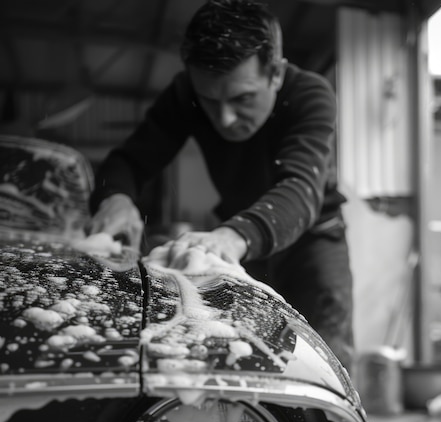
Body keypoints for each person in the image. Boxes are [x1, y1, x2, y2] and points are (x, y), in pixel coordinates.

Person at [89, 0, 354, 372]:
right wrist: (115, 196)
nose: (225, 118)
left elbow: (300, 188)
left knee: (325, 363)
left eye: (242, 99)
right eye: (210, 101)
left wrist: (231, 237)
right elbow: (128, 161)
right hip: (233, 238)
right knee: (237, 354)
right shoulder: (186, 95)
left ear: (275, 74)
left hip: (311, 236)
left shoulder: (311, 95)